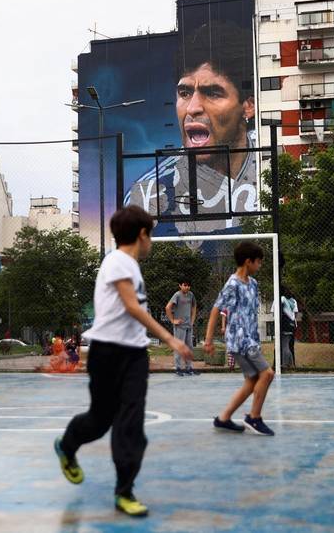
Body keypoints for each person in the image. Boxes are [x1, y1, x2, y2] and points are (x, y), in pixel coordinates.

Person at [54, 205, 193, 517]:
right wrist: (171, 338)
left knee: (130, 421)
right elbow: (132, 307)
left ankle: (124, 491)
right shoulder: (117, 262)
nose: (152, 242)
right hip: (108, 352)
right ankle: (67, 445)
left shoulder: (130, 265)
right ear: (142, 234)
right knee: (100, 419)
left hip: (134, 355)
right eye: (151, 236)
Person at [126, 22, 258, 237]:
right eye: (185, 93)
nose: (193, 108)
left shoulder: (273, 169)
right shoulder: (149, 192)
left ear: (247, 106)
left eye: (213, 93)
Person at [205, 241, 276, 436]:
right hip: (239, 340)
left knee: (252, 380)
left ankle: (223, 418)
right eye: (258, 262)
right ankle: (254, 417)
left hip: (251, 339)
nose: (260, 266)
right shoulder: (232, 283)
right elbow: (216, 309)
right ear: (248, 262)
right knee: (267, 374)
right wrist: (209, 340)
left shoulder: (253, 284)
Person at [165, 279, 198, 376]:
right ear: (180, 285)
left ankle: (188, 368)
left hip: (188, 325)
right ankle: (178, 368)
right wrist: (173, 320)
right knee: (179, 346)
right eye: (185, 285)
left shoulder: (191, 295)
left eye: (188, 285)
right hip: (180, 326)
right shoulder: (177, 295)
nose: (187, 287)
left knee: (189, 347)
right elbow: (167, 308)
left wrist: (192, 320)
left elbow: (194, 306)